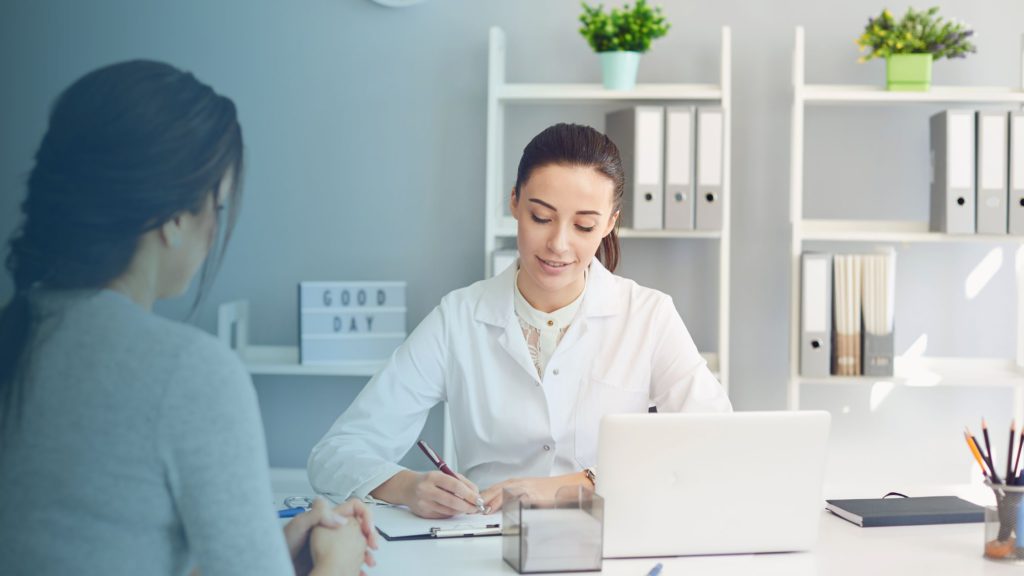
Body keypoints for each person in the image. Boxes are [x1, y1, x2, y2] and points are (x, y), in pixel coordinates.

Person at [0, 60, 377, 576]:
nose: (214, 228)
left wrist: (259, 547)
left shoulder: (19, 335)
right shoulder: (186, 373)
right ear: (175, 218)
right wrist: (336, 564)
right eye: (216, 208)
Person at [308, 123, 732, 518]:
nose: (559, 244)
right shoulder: (458, 319)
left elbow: (717, 442)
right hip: (486, 547)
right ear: (514, 201)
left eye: (584, 226)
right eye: (541, 218)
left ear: (609, 224)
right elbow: (336, 453)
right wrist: (408, 486)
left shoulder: (648, 316)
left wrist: (575, 484)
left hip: (607, 543)